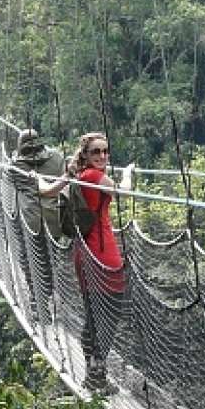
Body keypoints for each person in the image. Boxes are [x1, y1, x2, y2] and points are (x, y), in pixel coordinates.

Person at [39, 131, 132, 391]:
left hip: (84, 254)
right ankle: (96, 375)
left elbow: (46, 191)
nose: (102, 156)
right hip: (102, 255)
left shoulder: (77, 175)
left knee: (94, 316)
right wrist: (128, 174)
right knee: (109, 316)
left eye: (105, 151)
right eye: (96, 152)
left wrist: (39, 179)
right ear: (86, 155)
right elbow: (124, 191)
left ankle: (94, 375)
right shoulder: (93, 176)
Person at [8, 129, 66, 320]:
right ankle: (45, 300)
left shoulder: (16, 166)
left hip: (31, 222)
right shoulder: (57, 158)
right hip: (54, 220)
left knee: (30, 261)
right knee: (50, 261)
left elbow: (12, 180)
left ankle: (38, 303)